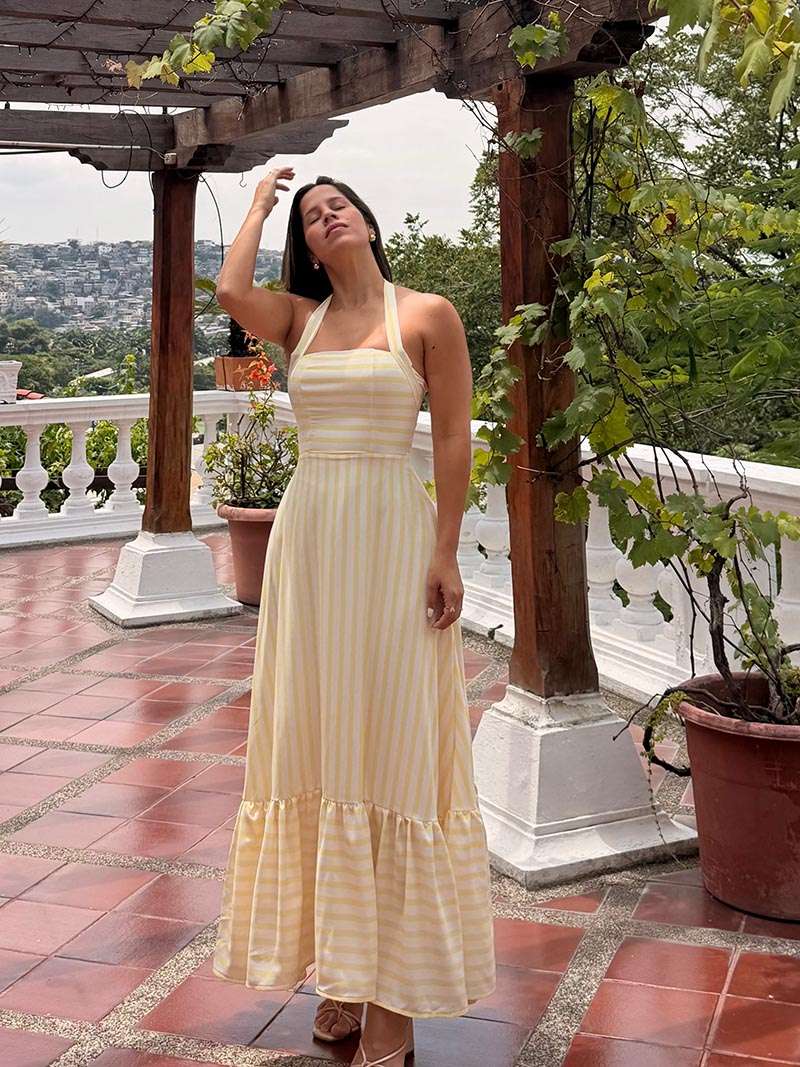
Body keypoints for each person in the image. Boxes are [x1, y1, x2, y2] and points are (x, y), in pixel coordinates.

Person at [212, 167, 496, 1067]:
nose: (326, 215)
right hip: (312, 546)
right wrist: (260, 203)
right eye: (311, 215)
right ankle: (342, 972)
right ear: (306, 243)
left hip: (392, 542)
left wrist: (445, 552)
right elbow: (229, 293)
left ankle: (392, 1004)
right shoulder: (300, 320)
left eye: (337, 205)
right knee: (318, 739)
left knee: (393, 748)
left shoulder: (428, 316)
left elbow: (451, 438)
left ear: (368, 223)